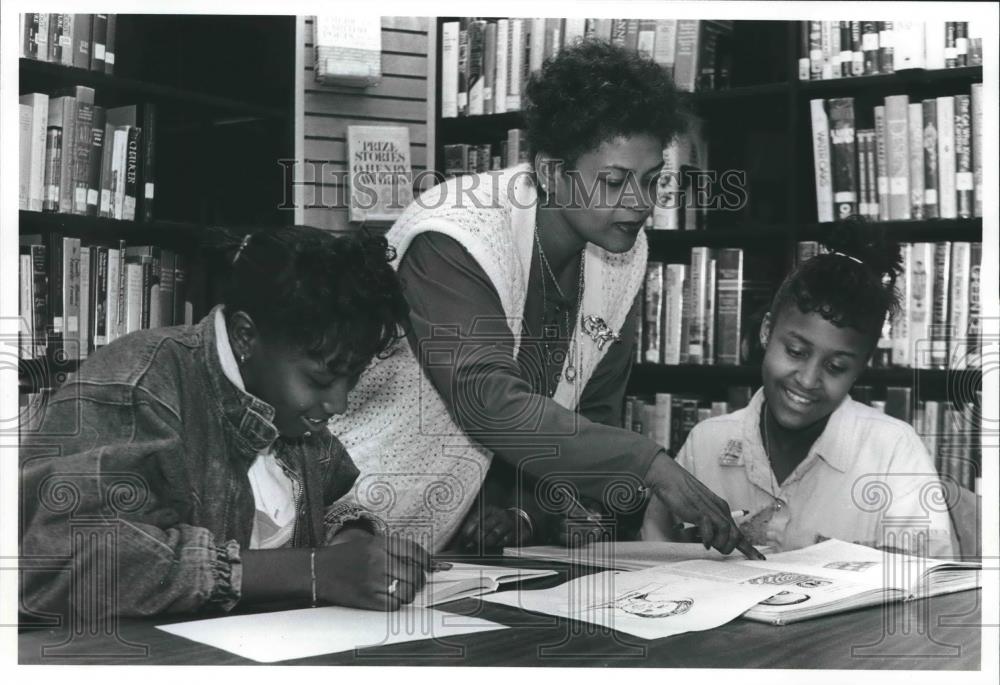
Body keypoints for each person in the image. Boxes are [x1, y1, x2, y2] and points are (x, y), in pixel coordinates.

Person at [329, 39, 758, 559]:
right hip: (350, 519)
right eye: (616, 181)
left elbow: (594, 414)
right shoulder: (456, 232)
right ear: (553, 173)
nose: (641, 203)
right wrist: (648, 463)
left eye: (651, 181)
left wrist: (526, 510)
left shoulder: (623, 250)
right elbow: (485, 400)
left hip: (458, 554)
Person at [20, 227, 432, 619]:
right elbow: (64, 562)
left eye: (354, 375)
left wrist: (352, 542)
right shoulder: (136, 386)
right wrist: (315, 570)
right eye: (321, 379)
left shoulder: (288, 409)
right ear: (244, 337)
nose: (339, 402)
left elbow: (333, 501)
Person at [669, 224, 957, 557]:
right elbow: (660, 560)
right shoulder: (705, 444)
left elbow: (925, 586)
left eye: (835, 368)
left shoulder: (893, 451)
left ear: (861, 369)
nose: (807, 380)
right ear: (766, 331)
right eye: (795, 351)